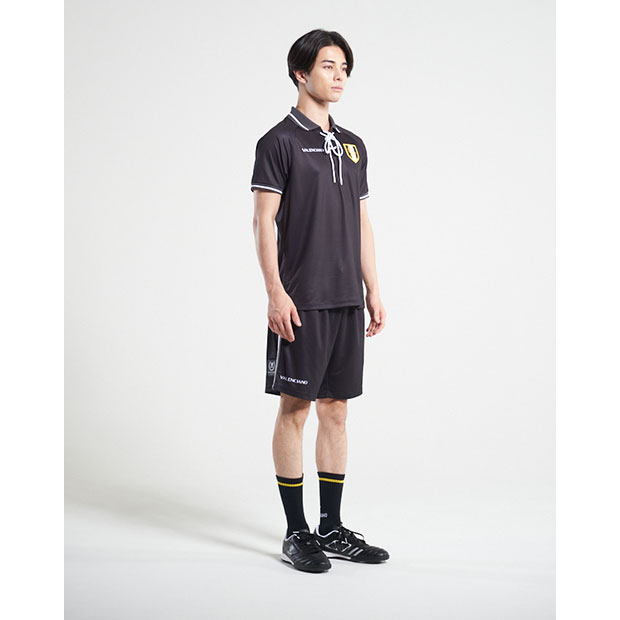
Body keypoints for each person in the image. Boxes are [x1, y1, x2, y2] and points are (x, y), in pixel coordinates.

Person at [251, 29, 389, 573]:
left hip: (346, 300)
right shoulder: (278, 141)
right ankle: (297, 531)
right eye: (329, 66)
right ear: (301, 73)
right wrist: (275, 291)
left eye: (344, 68)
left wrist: (373, 287)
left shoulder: (353, 145)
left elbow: (362, 222)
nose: (339, 76)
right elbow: (263, 221)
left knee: (336, 409)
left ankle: (331, 528)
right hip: (301, 300)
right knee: (295, 408)